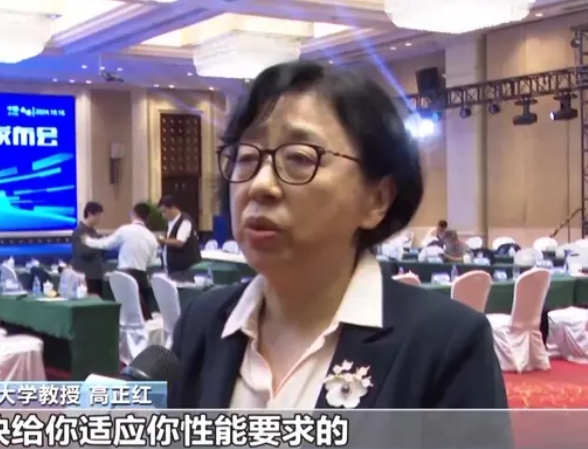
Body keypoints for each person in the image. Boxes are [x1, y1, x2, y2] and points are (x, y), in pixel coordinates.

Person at [169, 61, 507, 424]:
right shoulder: (202, 321)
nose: (259, 185)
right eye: (246, 157)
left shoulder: (446, 343)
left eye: (299, 158)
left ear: (377, 200)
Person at [83, 203, 158, 320]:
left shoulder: (125, 230)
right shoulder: (151, 237)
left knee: (124, 313)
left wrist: (87, 241)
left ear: (133, 214)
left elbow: (106, 244)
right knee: (142, 314)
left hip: (124, 276)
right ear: (147, 218)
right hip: (142, 276)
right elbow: (152, 261)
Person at [157, 195, 202, 282]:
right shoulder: (170, 222)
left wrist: (163, 241)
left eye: (164, 211)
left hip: (182, 269)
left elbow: (180, 242)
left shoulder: (185, 221)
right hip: (171, 268)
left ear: (173, 208)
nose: (163, 215)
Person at [70, 201, 105, 296]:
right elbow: (84, 253)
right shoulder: (79, 232)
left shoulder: (93, 231)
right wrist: (98, 244)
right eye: (98, 215)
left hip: (97, 275)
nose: (99, 219)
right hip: (86, 277)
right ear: (89, 214)